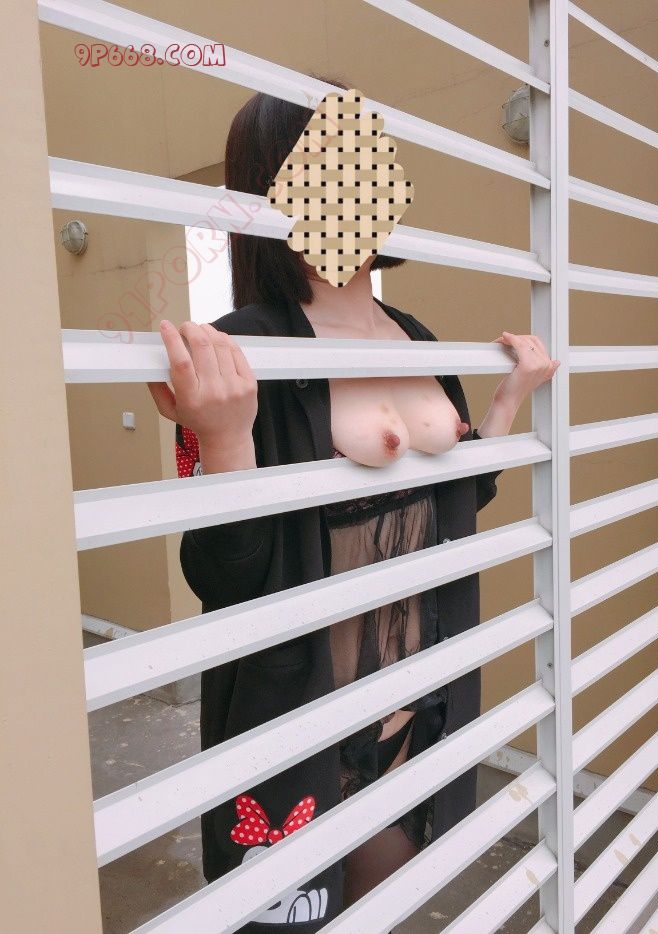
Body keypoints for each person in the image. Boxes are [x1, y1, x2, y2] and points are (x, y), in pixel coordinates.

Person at [148, 77, 559, 930]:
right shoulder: (246, 346)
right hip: (309, 709)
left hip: (420, 696)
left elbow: (453, 501)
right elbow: (223, 578)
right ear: (278, 186)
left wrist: (507, 401)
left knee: (389, 900)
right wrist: (222, 439)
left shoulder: (414, 335)